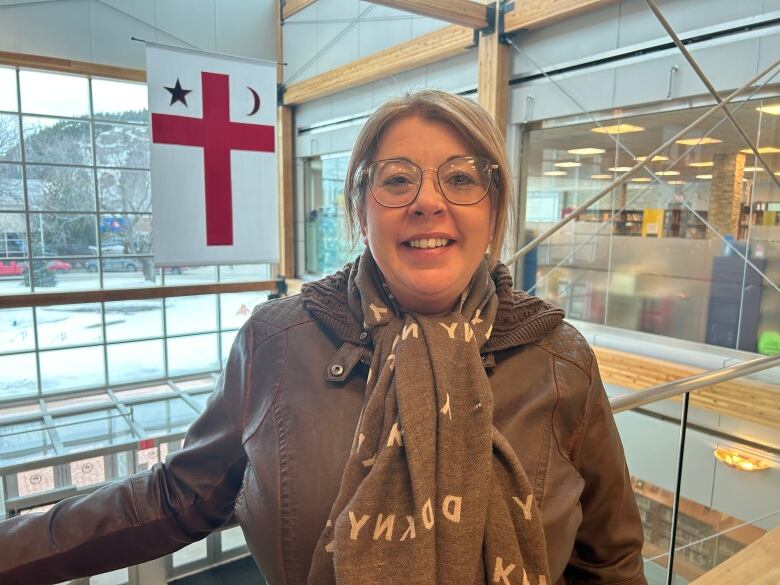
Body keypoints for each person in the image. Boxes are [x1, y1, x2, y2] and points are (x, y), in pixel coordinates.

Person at [0, 90, 647, 585]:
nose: (428, 201)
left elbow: (611, 558)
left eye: (461, 177)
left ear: (494, 209)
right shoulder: (277, 344)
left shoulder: (559, 360)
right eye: (397, 179)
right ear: (360, 209)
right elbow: (176, 495)